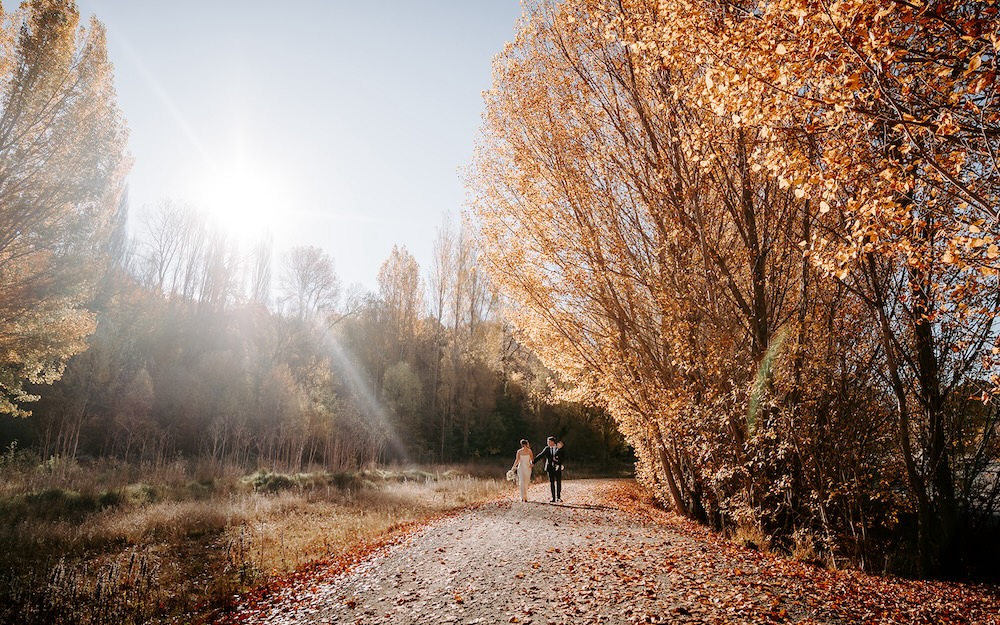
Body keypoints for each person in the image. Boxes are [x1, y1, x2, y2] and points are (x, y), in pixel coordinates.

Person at [534, 436, 563, 502]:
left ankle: (558, 497)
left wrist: (560, 463)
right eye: (547, 442)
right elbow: (540, 455)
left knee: (558, 482)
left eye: (549, 442)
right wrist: (533, 462)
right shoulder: (547, 449)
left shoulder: (558, 448)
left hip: (557, 467)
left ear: (553, 442)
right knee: (551, 483)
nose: (548, 443)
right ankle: (553, 498)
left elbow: (563, 457)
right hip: (549, 468)